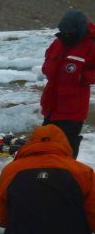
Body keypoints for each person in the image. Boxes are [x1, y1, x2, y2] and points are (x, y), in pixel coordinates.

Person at [40, 10, 95, 158]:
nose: (66, 34)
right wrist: (46, 68)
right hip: (51, 104)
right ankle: (46, 174)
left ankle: (66, 175)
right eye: (63, 31)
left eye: (69, 31)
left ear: (79, 30)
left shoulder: (91, 45)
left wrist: (82, 76)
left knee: (67, 147)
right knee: (45, 142)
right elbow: (48, 58)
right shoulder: (59, 42)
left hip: (73, 109)